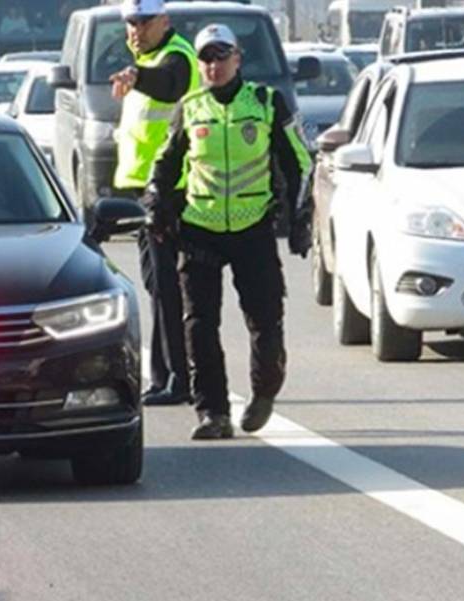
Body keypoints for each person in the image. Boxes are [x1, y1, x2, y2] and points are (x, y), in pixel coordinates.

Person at [145, 24, 313, 439]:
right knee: (198, 323)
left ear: (238, 58)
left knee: (265, 319)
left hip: (253, 226)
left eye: (222, 56)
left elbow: (300, 164)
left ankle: (264, 391)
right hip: (200, 229)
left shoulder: (266, 102)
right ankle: (213, 412)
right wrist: (156, 206)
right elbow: (163, 167)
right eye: (206, 58)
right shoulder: (190, 107)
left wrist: (298, 221)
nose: (213, 65)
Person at [110, 0, 199, 407]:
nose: (136, 30)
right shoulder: (148, 61)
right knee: (156, 286)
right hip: (143, 193)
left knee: (168, 287)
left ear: (165, 22)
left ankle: (178, 378)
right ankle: (165, 375)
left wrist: (137, 75)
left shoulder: (175, 56)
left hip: (170, 193)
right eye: (131, 23)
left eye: (145, 22)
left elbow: (170, 84)